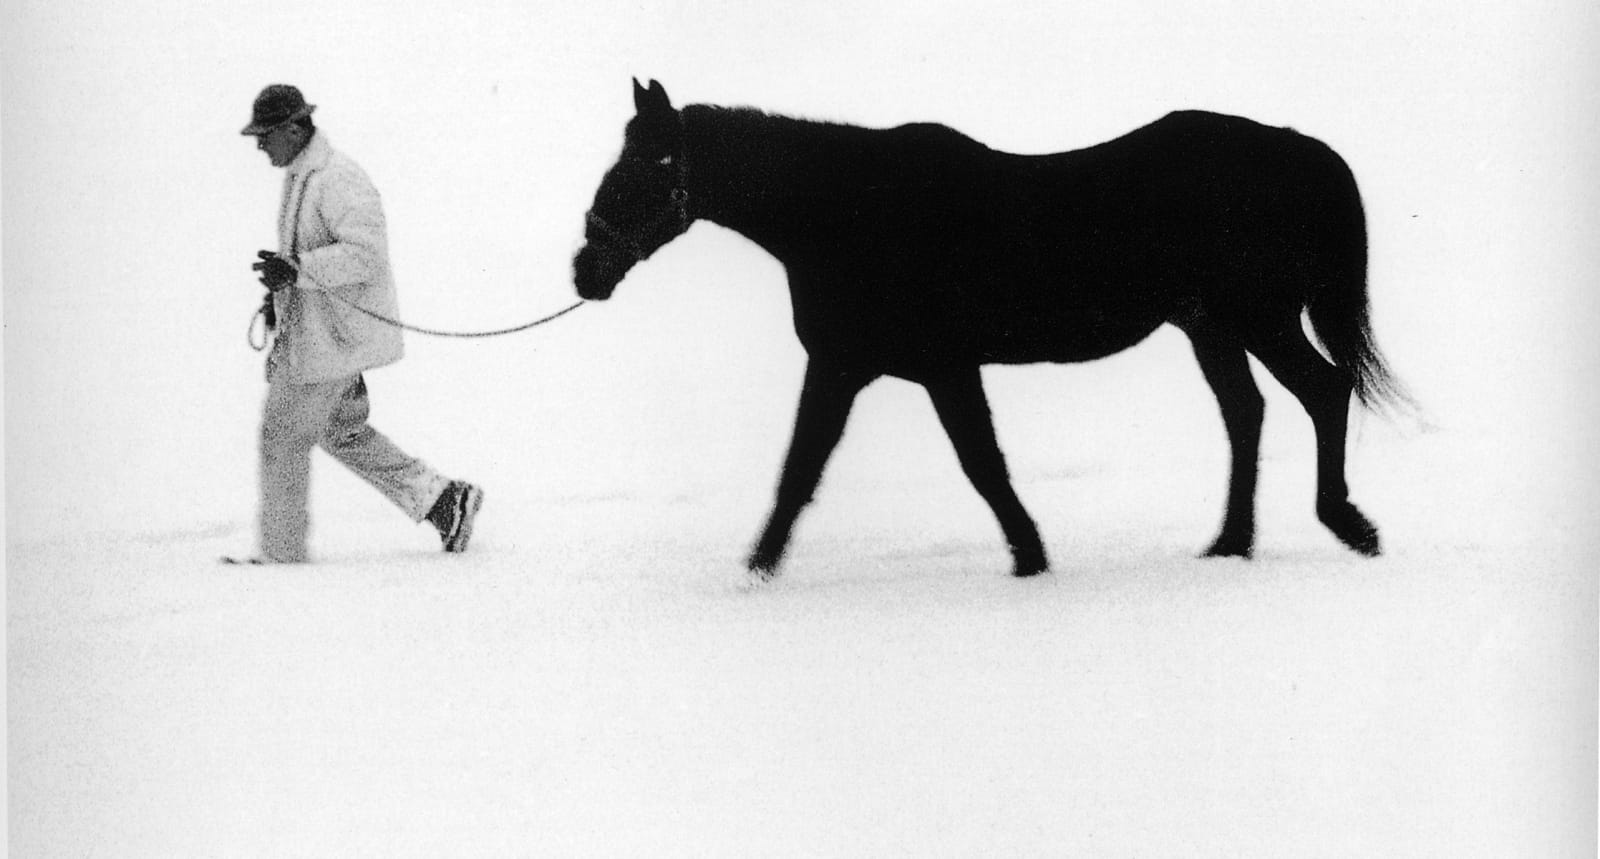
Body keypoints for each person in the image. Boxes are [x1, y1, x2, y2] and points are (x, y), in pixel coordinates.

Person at [228, 84, 482, 564]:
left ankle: (280, 558)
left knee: (283, 435)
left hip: (333, 342)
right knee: (339, 431)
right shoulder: (304, 175)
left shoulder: (337, 177)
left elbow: (366, 255)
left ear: (294, 128)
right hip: (323, 336)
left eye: (266, 135)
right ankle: (444, 502)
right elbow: (317, 255)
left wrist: (297, 270)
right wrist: (281, 289)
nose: (259, 145)